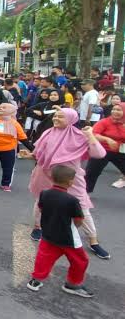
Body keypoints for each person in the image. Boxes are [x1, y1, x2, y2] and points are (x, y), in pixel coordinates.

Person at [20, 108, 111, 260]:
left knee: (82, 207)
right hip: (44, 174)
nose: (56, 118)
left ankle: (93, 240)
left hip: (70, 178)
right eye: (55, 116)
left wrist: (90, 135)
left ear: (70, 119)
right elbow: (38, 154)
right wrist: (28, 155)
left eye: (61, 117)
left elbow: (99, 154)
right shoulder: (48, 132)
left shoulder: (80, 135)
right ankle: (37, 227)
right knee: (40, 202)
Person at [26, 165, 94, 298]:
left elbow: (41, 209)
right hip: (68, 237)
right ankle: (72, 284)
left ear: (52, 178)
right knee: (80, 261)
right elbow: (79, 219)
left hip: (48, 233)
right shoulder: (72, 200)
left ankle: (35, 280)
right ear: (70, 182)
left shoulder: (44, 193)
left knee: (43, 257)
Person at [85, 103, 125, 191]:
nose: (115, 111)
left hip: (120, 152)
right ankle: (83, 194)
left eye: (119, 110)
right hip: (102, 151)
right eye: (114, 109)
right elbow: (94, 134)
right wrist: (107, 139)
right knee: (91, 173)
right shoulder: (105, 121)